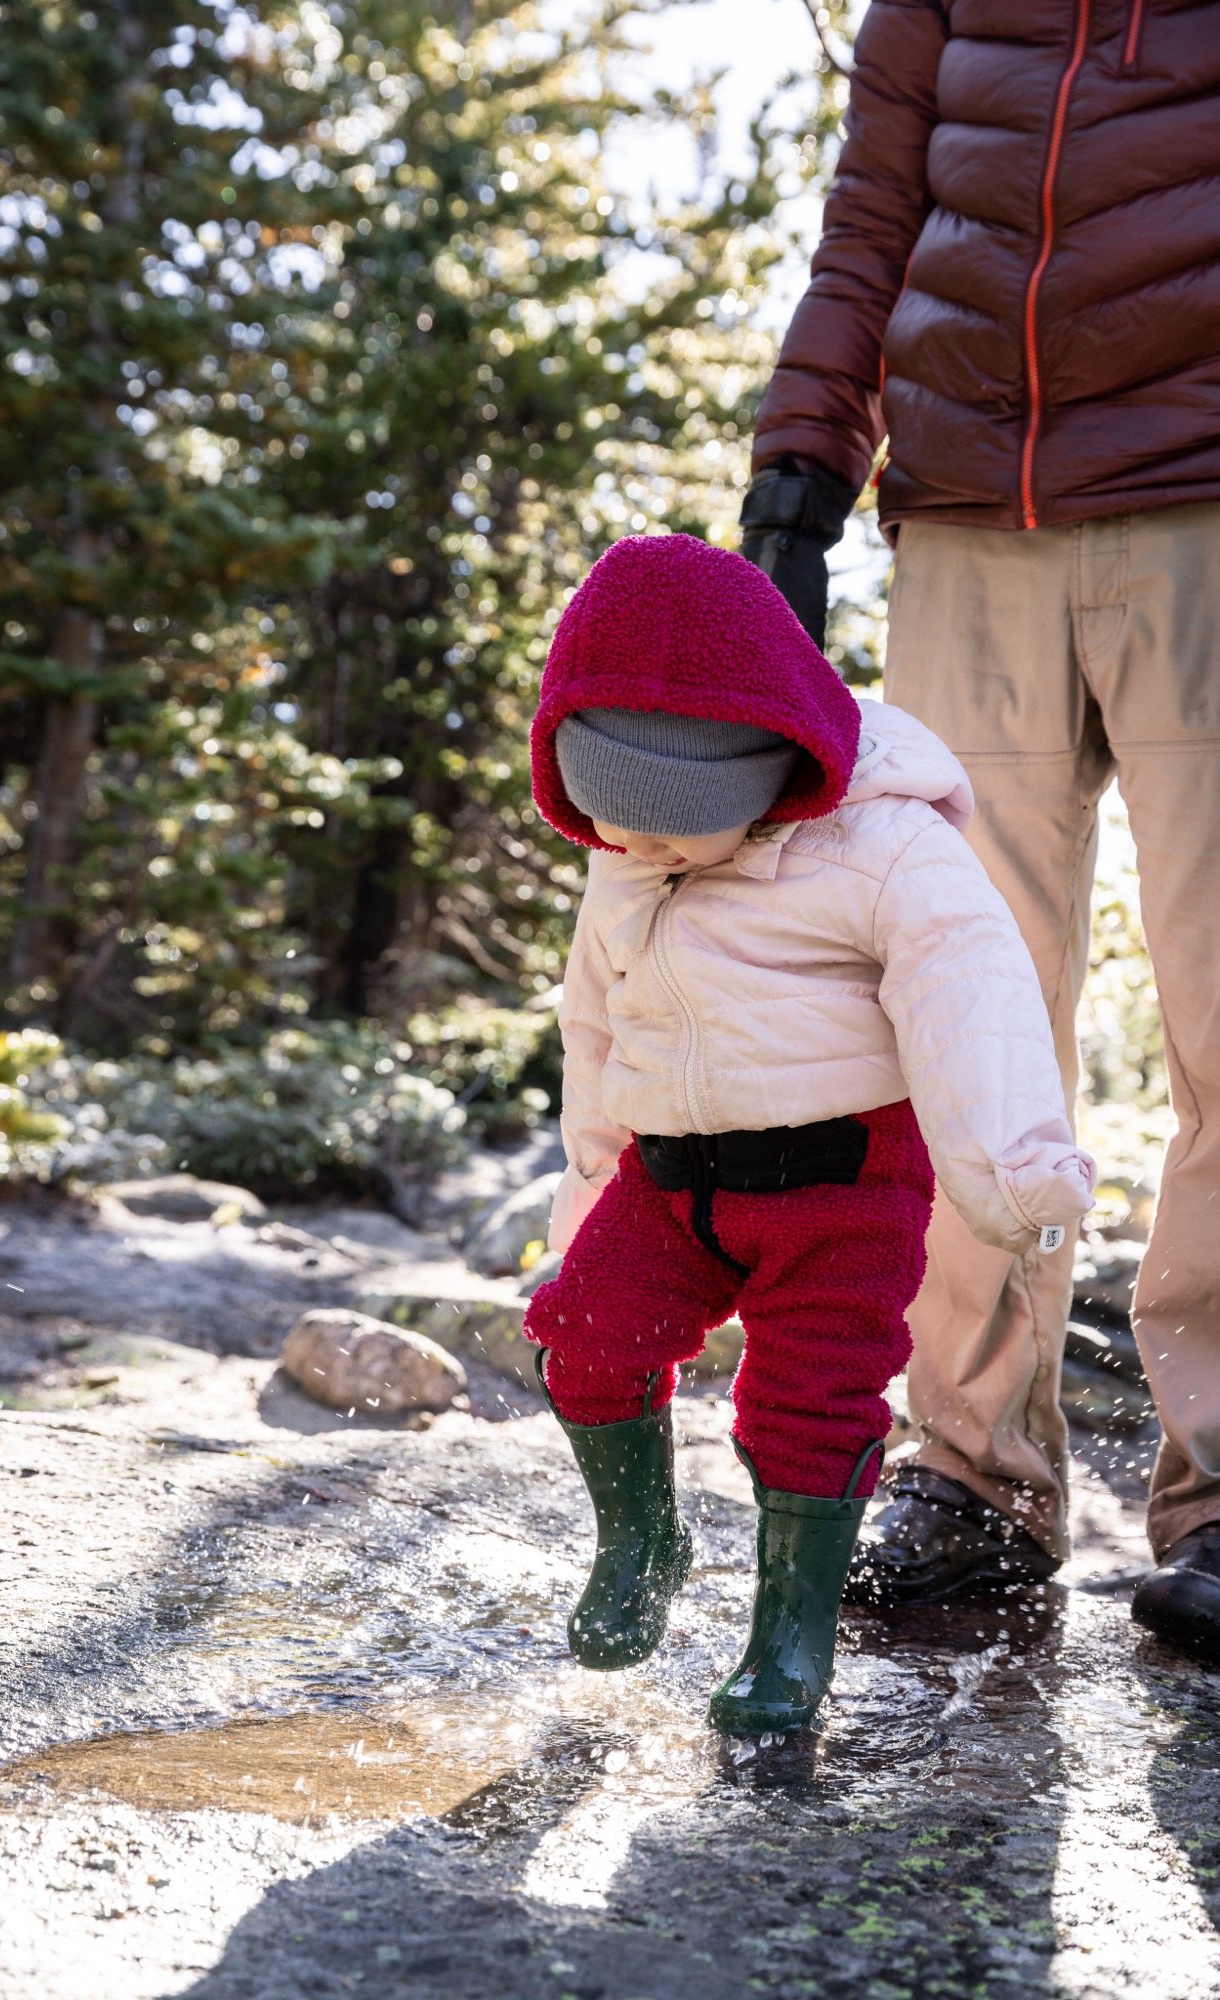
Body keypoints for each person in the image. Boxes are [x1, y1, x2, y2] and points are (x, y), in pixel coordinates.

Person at [739, 0, 1220, 1658]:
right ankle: (967, 1475)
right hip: (961, 530)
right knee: (958, 1012)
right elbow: (867, 222)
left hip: (1202, 505)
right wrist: (799, 468)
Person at [522, 532, 1093, 1736]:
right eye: (611, 826)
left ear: (767, 771)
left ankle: (789, 1635)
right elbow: (593, 1018)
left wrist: (1008, 1164)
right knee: (582, 1330)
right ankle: (642, 1547)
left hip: (839, 1188)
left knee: (809, 1402)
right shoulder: (625, 857)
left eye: (674, 833)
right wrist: (588, 1166)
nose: (638, 853)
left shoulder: (887, 849)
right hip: (671, 1178)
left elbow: (969, 989)